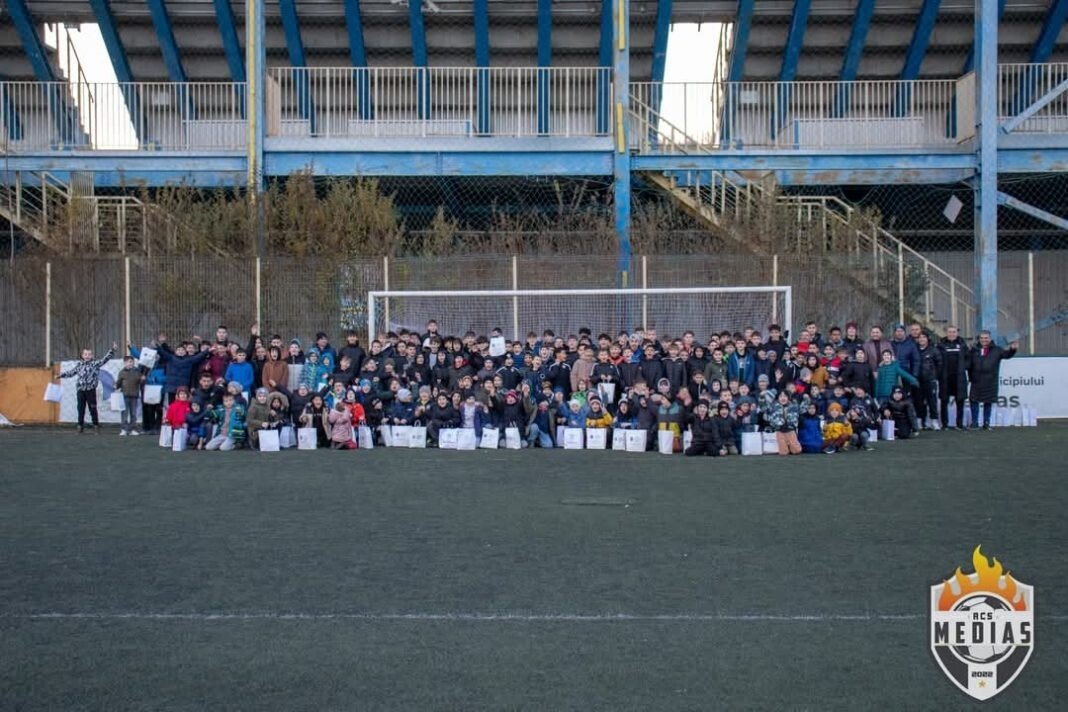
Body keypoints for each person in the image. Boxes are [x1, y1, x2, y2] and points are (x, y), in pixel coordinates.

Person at [57, 341, 117, 433]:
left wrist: (112, 350)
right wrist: (61, 375)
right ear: (82, 355)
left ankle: (95, 425)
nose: (87, 356)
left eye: (89, 354)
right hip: (81, 390)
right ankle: (80, 425)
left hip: (90, 390)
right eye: (85, 354)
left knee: (92, 408)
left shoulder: (95, 364)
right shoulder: (79, 365)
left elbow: (105, 359)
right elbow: (71, 373)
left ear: (92, 356)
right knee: (80, 408)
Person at [966, 332, 1018, 429]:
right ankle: (974, 423)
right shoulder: (974, 350)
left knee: (988, 402)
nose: (984, 340)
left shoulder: (997, 350)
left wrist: (1012, 349)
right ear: (979, 339)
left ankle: (986, 423)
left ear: (990, 339)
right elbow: (968, 363)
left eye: (986, 338)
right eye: (982, 338)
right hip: (976, 381)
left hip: (990, 381)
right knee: (973, 401)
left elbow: (1007, 355)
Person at [938, 325, 969, 430]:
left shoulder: (962, 344)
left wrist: (964, 367)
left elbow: (968, 358)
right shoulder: (941, 344)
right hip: (945, 378)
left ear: (957, 333)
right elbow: (937, 359)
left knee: (960, 401)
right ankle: (944, 424)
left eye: (953, 332)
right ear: (946, 333)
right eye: (949, 332)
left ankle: (959, 424)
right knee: (944, 401)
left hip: (959, 378)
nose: (951, 334)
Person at [114, 355, 144, 436]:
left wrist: (142, 380)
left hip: (134, 396)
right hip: (124, 396)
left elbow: (140, 383)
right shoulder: (122, 372)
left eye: (132, 362)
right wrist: (115, 386)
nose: (130, 363)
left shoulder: (137, 372)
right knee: (124, 413)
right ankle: (124, 429)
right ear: (125, 363)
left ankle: (132, 429)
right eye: (128, 362)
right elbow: (118, 383)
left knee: (133, 414)